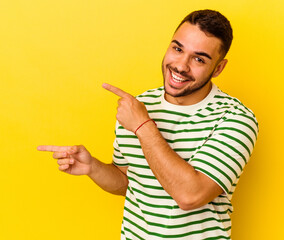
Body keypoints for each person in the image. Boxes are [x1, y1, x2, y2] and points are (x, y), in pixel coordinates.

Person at [38, 9, 258, 240]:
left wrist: (143, 126)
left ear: (219, 68)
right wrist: (93, 167)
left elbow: (190, 196)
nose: (181, 65)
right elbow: (127, 181)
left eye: (199, 59)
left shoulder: (235, 118)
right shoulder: (139, 106)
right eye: (177, 48)